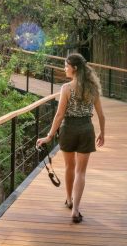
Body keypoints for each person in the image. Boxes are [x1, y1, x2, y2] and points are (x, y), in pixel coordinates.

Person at [36, 53, 105, 223]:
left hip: (68, 129)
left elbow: (59, 115)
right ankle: (75, 209)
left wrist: (49, 136)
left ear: (74, 68)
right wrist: (102, 133)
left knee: (69, 167)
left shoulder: (66, 88)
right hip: (86, 130)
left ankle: (68, 199)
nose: (64, 68)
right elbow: (101, 115)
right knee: (81, 172)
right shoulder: (92, 89)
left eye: (66, 66)